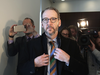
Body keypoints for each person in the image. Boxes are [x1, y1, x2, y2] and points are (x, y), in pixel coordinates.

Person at [22, 7, 88, 75]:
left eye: (53, 19)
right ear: (42, 24)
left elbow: (84, 71)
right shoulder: (30, 45)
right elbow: (20, 70)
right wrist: (34, 63)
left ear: (59, 22)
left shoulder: (72, 44)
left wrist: (68, 60)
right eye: (45, 19)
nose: (49, 23)